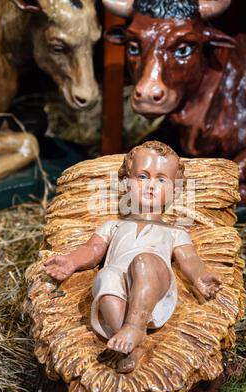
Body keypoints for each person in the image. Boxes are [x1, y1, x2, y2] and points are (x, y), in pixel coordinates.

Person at [41, 141, 222, 373]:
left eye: (161, 179)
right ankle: (129, 348)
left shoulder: (175, 232)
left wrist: (200, 276)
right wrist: (71, 261)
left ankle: (135, 327)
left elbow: (189, 258)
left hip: (155, 285)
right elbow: (93, 250)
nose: (150, 186)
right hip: (120, 288)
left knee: (143, 261)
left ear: (175, 190)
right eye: (143, 177)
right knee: (106, 276)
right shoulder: (112, 226)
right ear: (126, 183)